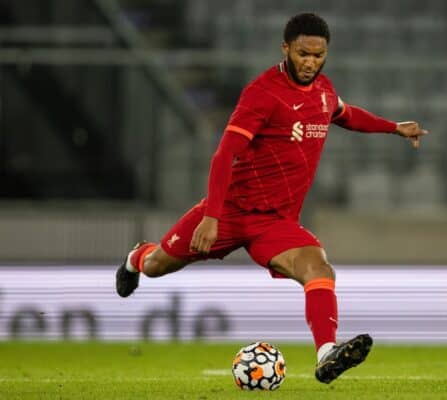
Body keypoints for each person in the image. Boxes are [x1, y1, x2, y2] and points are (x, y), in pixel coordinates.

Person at [116, 12, 428, 384]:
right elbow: (224, 154)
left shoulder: (325, 91)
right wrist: (212, 216)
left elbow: (345, 114)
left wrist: (393, 127)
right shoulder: (263, 93)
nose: (310, 62)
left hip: (276, 223)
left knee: (319, 268)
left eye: (318, 55)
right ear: (286, 48)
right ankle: (136, 257)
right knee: (157, 266)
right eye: (302, 54)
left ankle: (327, 353)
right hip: (229, 211)